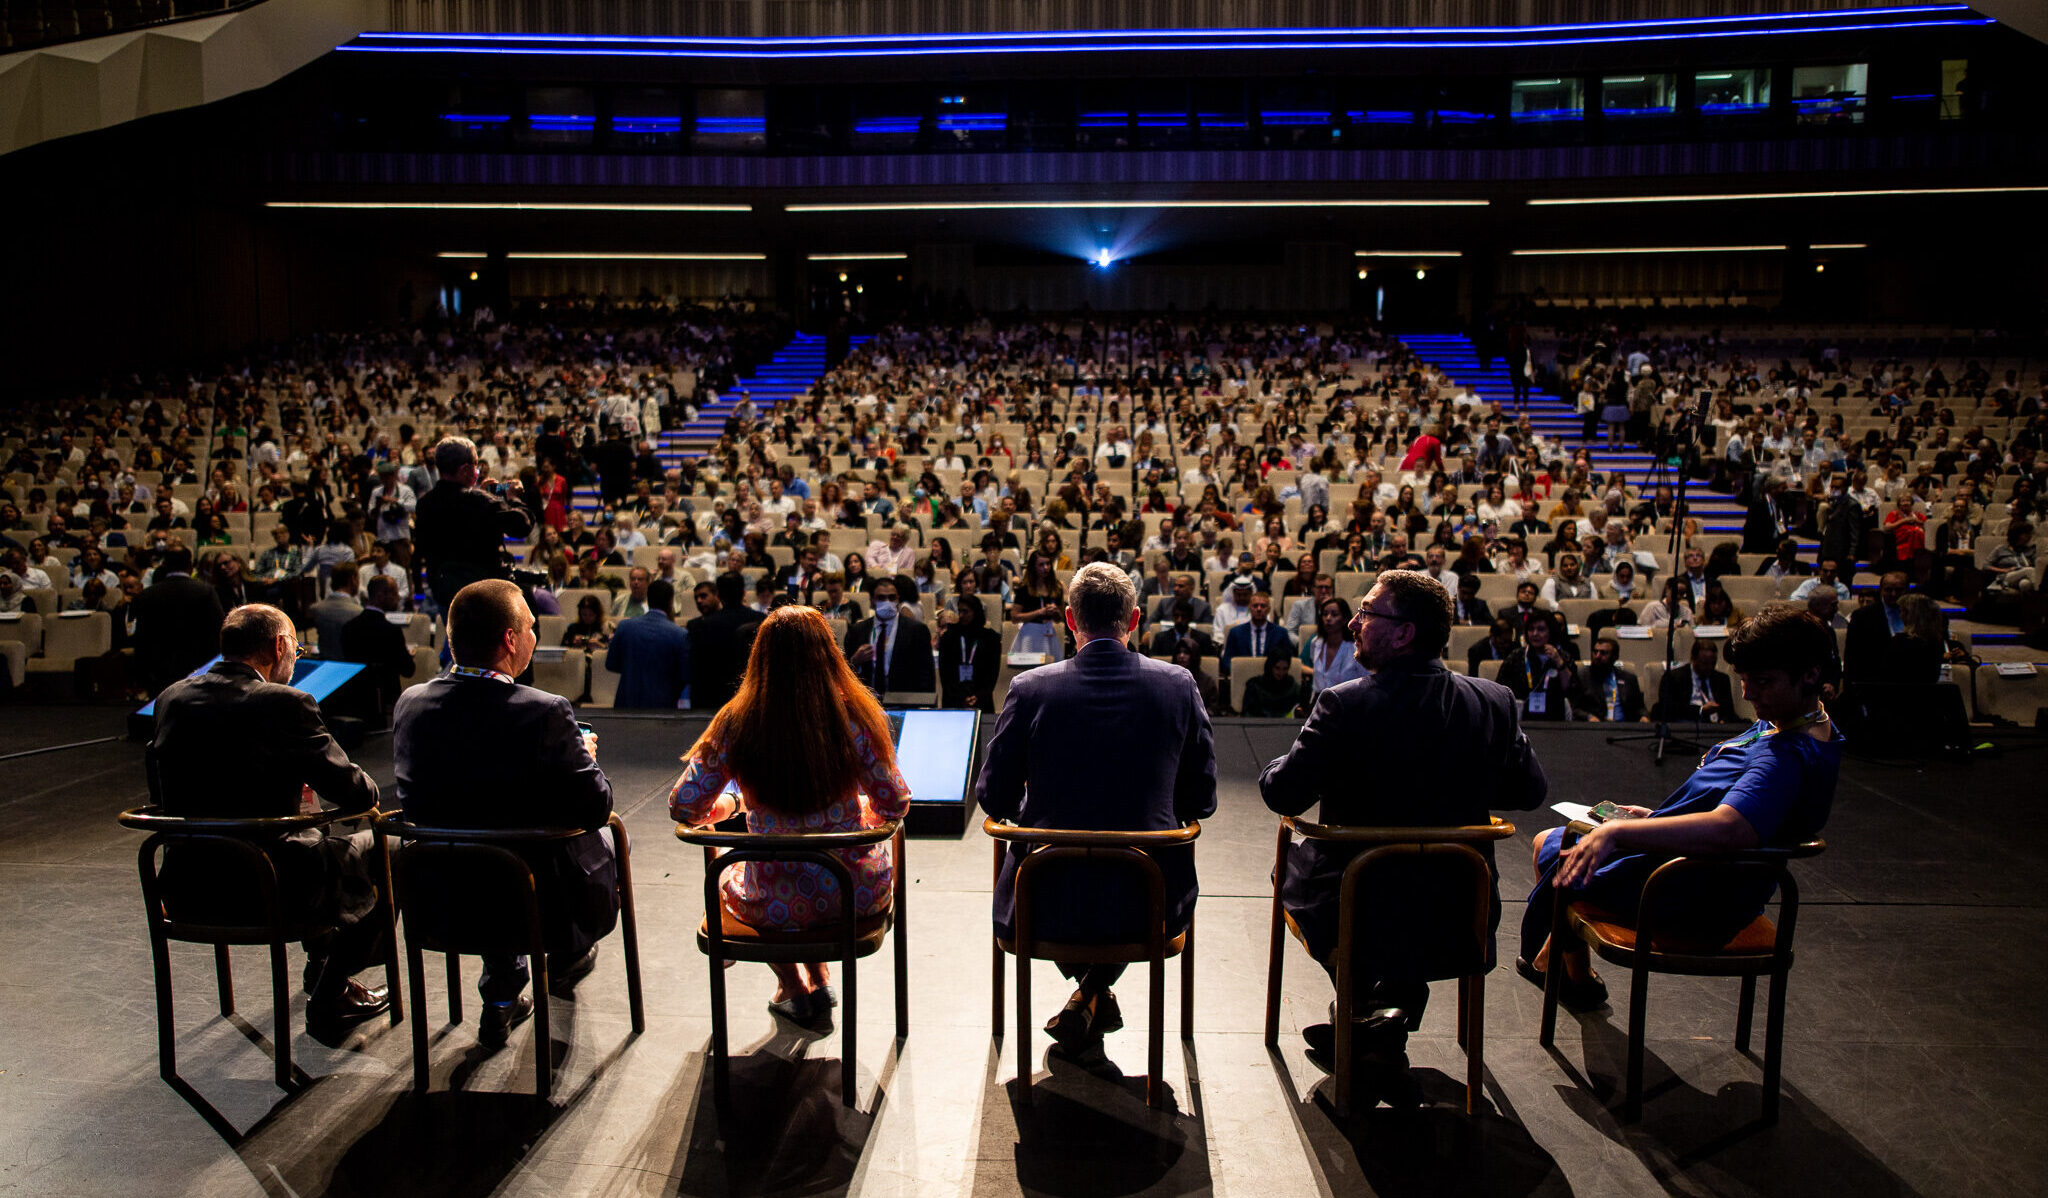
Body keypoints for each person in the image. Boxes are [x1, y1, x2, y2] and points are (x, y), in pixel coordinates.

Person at [1259, 571, 1546, 1090]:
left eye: (1367, 614)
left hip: (1362, 908)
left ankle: (1367, 1006)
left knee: (1291, 865)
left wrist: (1296, 752)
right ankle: (1386, 1010)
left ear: (1404, 633)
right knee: (1405, 897)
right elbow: (1529, 793)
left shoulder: (1343, 704)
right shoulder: (1495, 701)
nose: (1352, 623)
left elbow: (1282, 793)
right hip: (1461, 908)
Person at [1518, 606, 1842, 1010]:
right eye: (1744, 679)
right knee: (1559, 842)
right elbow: (1735, 803)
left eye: (1762, 681)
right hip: (1697, 866)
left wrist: (1618, 832)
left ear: (1810, 674)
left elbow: (1729, 828)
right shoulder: (1790, 720)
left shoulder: (1787, 755)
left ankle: (1564, 971)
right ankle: (1571, 975)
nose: (1746, 693)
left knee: (1556, 847)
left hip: (1695, 888)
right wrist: (1655, 818)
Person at [976, 562, 1217, 1050]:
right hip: (1149, 900)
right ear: (1134, 621)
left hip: (1043, 899)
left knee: (1054, 864)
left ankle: (1086, 993)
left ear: (1069, 619)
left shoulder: (1029, 688)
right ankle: (1094, 991)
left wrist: (1038, 807)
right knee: (1135, 872)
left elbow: (994, 797)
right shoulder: (1178, 685)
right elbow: (1202, 799)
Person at [149, 603, 390, 1044]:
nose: (295, 658)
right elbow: (355, 792)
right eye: (296, 648)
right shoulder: (284, 702)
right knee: (390, 849)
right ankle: (331, 988)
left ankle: (320, 964)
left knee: (309, 830)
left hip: (186, 887)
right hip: (266, 888)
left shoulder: (171, 697)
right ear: (279, 646)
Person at [392, 580, 619, 1045]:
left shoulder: (410, 703)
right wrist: (586, 755)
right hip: (534, 905)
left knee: (487, 843)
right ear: (511, 640)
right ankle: (569, 954)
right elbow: (596, 805)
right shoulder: (545, 711)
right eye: (531, 627)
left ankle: (501, 991)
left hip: (439, 895)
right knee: (601, 838)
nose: (535, 636)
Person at [670, 605, 912, 1025]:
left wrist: (732, 803)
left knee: (731, 874)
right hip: (852, 894)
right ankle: (817, 979)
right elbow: (895, 802)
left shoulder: (736, 720)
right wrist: (863, 813)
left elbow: (684, 806)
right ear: (828, 654)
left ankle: (794, 985)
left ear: (760, 657)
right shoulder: (854, 717)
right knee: (814, 872)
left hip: (773, 902)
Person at [413, 436, 533, 614]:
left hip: (444, 591)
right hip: (480, 593)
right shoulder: (479, 501)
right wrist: (512, 499)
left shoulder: (425, 503)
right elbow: (522, 525)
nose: (477, 471)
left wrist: (483, 495)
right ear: (465, 469)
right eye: (475, 465)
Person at [131, 546, 225, 694]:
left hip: (159, 672)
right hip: (198, 670)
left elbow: (141, 638)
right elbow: (219, 632)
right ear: (189, 565)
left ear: (165, 566)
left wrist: (142, 675)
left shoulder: (147, 595)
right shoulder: (205, 591)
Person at [603, 579, 691, 708]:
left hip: (627, 703)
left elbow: (611, 664)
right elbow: (684, 675)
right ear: (670, 601)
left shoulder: (624, 627)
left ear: (648, 599)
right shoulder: (680, 634)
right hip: (663, 706)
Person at [845, 576, 936, 699]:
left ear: (898, 599)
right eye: (881, 598)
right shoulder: (857, 631)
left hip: (903, 701)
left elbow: (927, 676)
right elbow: (843, 675)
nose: (887, 602)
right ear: (872, 600)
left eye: (892, 598)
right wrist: (854, 661)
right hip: (867, 702)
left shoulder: (917, 630)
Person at [338, 575, 418, 714]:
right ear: (380, 596)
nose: (398, 597)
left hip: (356, 701)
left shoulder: (348, 628)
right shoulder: (391, 631)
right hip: (387, 704)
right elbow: (408, 670)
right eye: (394, 593)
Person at [685, 578, 762, 713]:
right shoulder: (761, 620)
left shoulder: (703, 625)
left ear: (719, 596)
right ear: (744, 593)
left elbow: (697, 669)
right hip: (751, 697)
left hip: (714, 699)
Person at [1499, 613, 1576, 721]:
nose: (1535, 634)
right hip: (1522, 719)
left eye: (1541, 629)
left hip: (1555, 718)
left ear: (1551, 631)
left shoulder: (1563, 656)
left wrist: (1558, 661)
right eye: (1531, 629)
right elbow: (1501, 689)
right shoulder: (1516, 657)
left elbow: (1569, 689)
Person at [1845, 570, 1911, 686]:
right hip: (1874, 682)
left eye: (1899, 590)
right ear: (1881, 590)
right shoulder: (1862, 616)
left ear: (1907, 591)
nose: (1894, 594)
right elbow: (1852, 657)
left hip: (1908, 680)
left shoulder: (1918, 615)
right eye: (1888, 590)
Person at [937, 595, 1001, 711]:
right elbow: (945, 674)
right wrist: (961, 698)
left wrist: (978, 696)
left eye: (965, 612)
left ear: (975, 612)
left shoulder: (991, 638)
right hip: (954, 700)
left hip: (982, 699)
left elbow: (992, 674)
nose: (961, 615)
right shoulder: (949, 637)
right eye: (959, 611)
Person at [1654, 637, 1735, 724]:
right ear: (1692, 659)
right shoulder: (1673, 677)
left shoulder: (1722, 679)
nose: (1709, 667)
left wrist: (1724, 720)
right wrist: (1700, 710)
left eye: (1713, 663)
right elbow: (1668, 708)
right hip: (1686, 727)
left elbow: (1729, 710)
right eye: (1704, 663)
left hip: (1716, 728)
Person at [1569, 635, 1647, 723]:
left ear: (1615, 656)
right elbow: (1574, 708)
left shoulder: (1629, 679)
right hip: (1595, 728)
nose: (1597, 656)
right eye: (1595, 652)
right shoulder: (1582, 677)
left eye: (1603, 653)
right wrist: (1589, 717)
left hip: (1624, 728)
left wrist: (1643, 717)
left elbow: (1640, 707)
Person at [308, 560, 364, 657]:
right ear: (353, 579)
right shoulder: (359, 612)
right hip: (350, 666)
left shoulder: (316, 609)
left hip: (324, 663)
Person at [1239, 653, 1303, 717]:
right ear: (1270, 667)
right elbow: (1247, 715)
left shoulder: (1293, 687)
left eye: (1285, 669)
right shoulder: (1255, 686)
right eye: (1277, 668)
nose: (1281, 673)